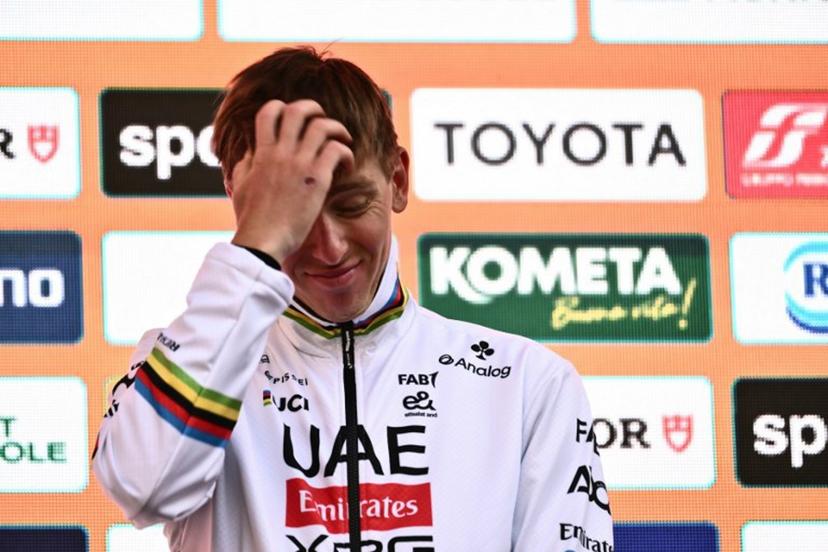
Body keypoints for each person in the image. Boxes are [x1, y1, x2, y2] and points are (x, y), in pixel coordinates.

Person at [93, 46, 613, 552]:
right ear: (241, 198)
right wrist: (255, 251)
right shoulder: (189, 362)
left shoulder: (526, 384)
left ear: (398, 180)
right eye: (296, 215)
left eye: (351, 204)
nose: (329, 246)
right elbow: (143, 488)